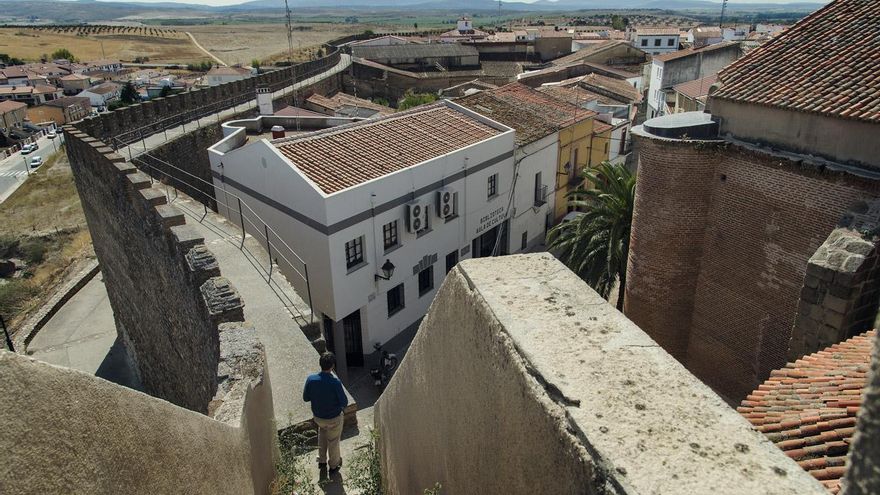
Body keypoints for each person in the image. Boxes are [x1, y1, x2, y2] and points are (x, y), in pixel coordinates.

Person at [302, 352, 348, 473]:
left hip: (318, 418)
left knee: (322, 434)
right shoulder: (335, 382)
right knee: (333, 441)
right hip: (333, 419)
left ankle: (322, 461)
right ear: (332, 366)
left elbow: (306, 398)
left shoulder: (311, 380)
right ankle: (333, 465)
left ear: (320, 364)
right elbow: (344, 402)